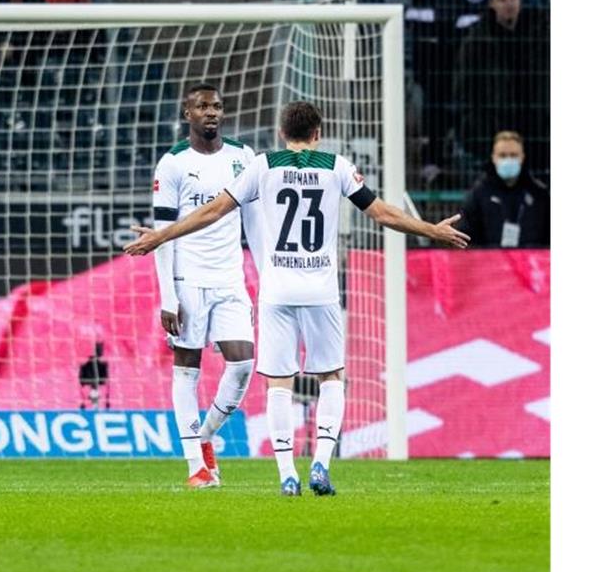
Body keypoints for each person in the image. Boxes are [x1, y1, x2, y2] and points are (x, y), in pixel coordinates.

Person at [125, 102, 470, 496]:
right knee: (331, 377)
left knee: (278, 383)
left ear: (280, 131)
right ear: (318, 132)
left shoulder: (262, 166)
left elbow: (213, 211)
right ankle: (321, 464)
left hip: (278, 289)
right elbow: (383, 214)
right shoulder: (336, 165)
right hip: (321, 289)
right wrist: (431, 230)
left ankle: (288, 474)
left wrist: (160, 235)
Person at [151, 84, 259, 489]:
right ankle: (195, 464)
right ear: (187, 114)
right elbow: (163, 233)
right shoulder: (172, 164)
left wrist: (264, 272)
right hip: (188, 278)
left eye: (216, 106)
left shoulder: (243, 157)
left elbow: (256, 220)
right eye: (201, 106)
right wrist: (167, 295)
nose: (210, 112)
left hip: (230, 277)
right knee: (187, 369)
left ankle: (207, 434)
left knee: (243, 363)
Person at [453, 0, 550, 178]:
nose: (509, 5)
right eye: (502, 0)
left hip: (534, 117)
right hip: (492, 119)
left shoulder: (540, 34)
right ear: (491, 4)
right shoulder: (477, 39)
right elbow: (464, 85)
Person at [457, 131, 550, 248]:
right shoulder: (478, 194)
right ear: (493, 158)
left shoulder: (539, 194)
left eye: (513, 155)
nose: (508, 159)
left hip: (531, 263)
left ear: (522, 157)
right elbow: (465, 236)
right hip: (490, 263)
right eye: (502, 155)